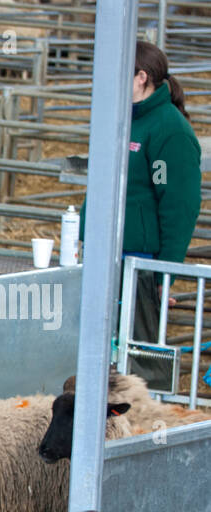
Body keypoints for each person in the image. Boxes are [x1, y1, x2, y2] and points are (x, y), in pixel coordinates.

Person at [86, 41, 202, 388]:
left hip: (140, 262)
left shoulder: (169, 130)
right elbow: (103, 184)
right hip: (104, 257)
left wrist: (165, 272)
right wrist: (83, 237)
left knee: (138, 358)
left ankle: (146, 428)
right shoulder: (119, 120)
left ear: (141, 77)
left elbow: (179, 205)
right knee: (99, 349)